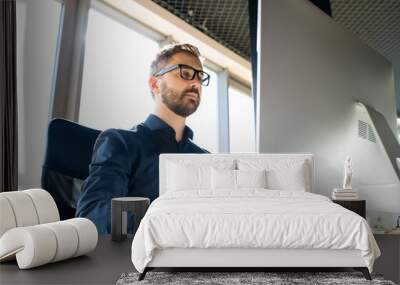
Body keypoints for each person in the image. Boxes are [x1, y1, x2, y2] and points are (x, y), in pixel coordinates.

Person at [76, 43, 210, 234]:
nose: (196, 83)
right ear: (155, 84)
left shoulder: (206, 160)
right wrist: (169, 227)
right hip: (137, 260)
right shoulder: (120, 142)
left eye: (200, 76)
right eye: (186, 73)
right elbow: (93, 216)